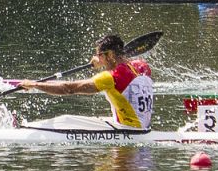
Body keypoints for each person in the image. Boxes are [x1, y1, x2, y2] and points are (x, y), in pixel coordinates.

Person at [17, 34, 155, 130]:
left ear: (111, 55)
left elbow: (69, 88)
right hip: (143, 127)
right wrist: (104, 61)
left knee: (67, 120)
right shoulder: (142, 66)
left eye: (99, 55)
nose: (96, 58)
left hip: (129, 130)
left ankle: (23, 128)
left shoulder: (110, 78)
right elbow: (124, 67)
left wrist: (36, 85)